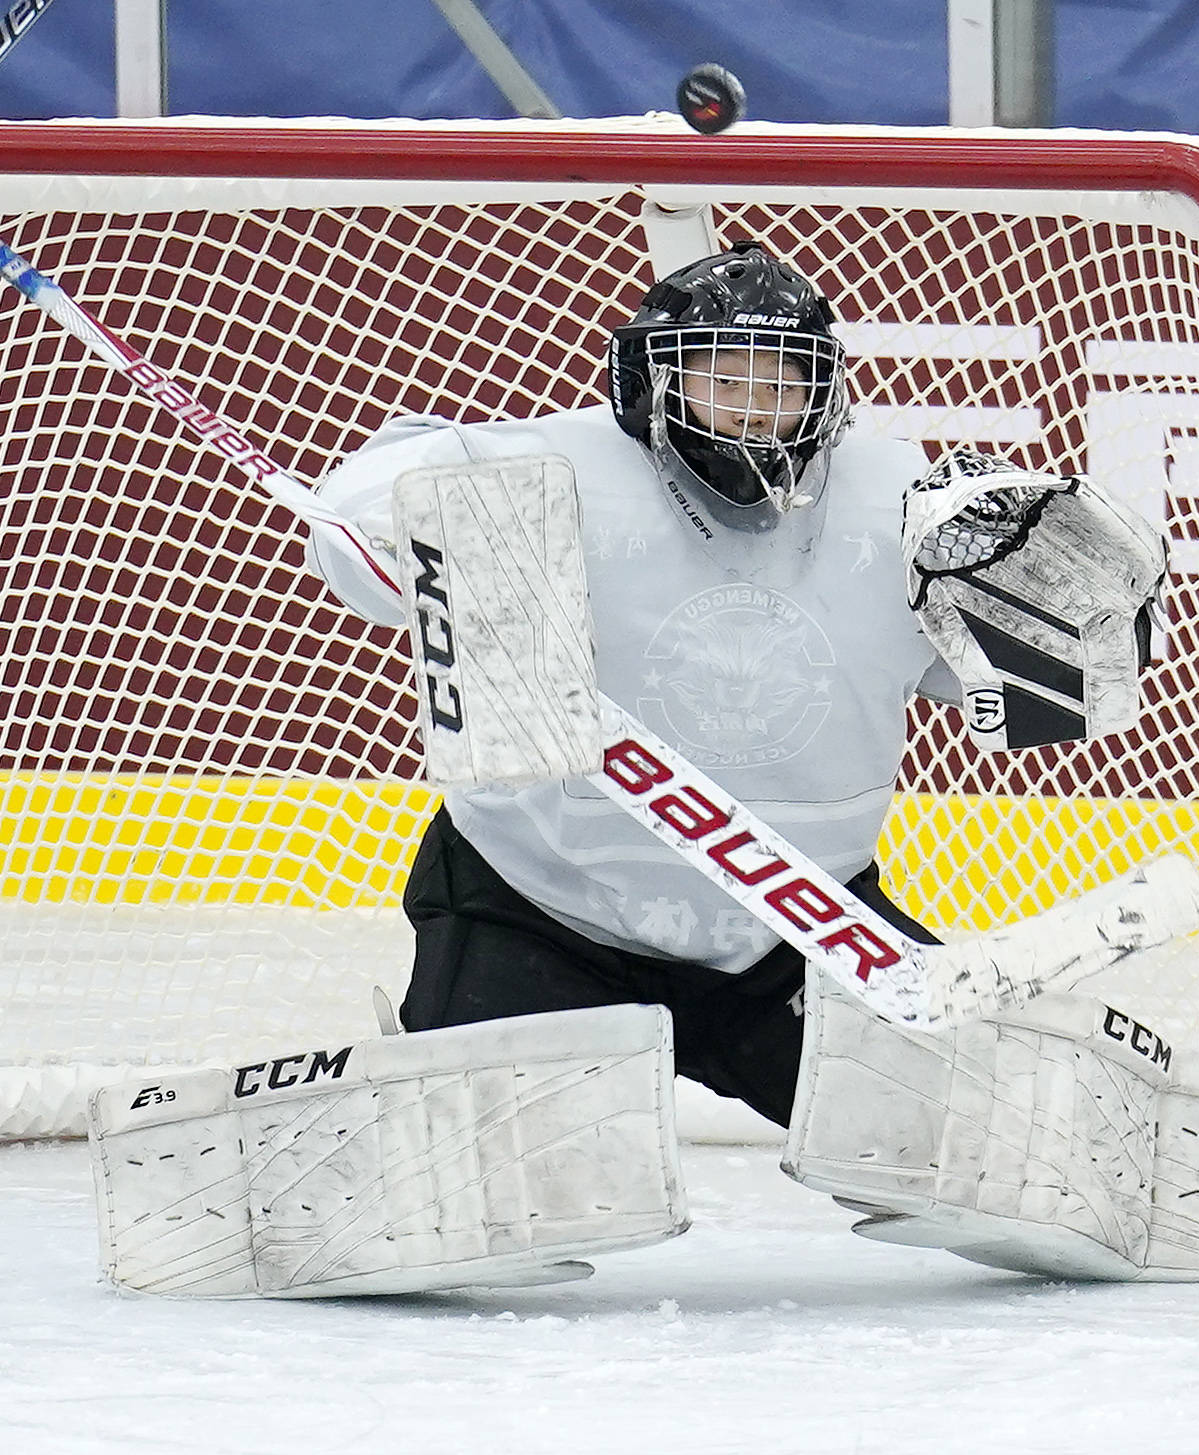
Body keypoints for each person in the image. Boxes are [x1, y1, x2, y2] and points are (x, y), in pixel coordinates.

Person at [307, 240, 953, 1129]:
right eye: (724, 383)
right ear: (653, 383)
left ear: (825, 393)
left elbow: (996, 682)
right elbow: (376, 501)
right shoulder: (559, 464)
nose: (753, 417)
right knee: (496, 1179)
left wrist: (1061, 618)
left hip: (800, 930)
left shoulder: (899, 497)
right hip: (540, 915)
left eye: (781, 387)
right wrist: (387, 534)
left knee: (963, 1129)